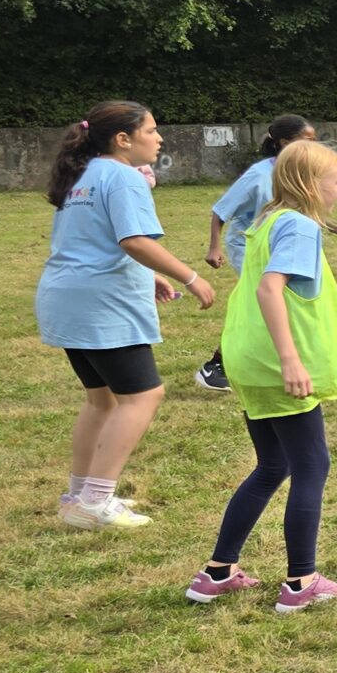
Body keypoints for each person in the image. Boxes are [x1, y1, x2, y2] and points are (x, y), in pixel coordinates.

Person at [192, 141, 337, 613]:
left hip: (248, 358)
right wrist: (291, 360)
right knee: (312, 465)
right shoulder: (298, 227)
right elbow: (271, 289)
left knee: (273, 465)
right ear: (311, 185)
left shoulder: (270, 218)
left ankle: (217, 573)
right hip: (274, 364)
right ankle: (300, 582)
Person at [33, 102, 216, 530]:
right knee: (143, 396)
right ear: (123, 139)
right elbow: (133, 240)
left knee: (102, 401)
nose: (159, 138)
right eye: (151, 130)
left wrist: (147, 275)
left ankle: (78, 497)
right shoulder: (123, 176)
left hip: (67, 298)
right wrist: (190, 277)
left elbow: (91, 238)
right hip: (101, 305)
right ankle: (95, 501)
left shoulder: (84, 173)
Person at [197, 115, 328, 391]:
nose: (313, 147)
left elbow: (299, 209)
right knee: (262, 302)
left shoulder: (297, 171)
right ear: (285, 143)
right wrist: (214, 247)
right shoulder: (258, 175)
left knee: (281, 302)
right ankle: (216, 365)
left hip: (277, 245)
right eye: (306, 141)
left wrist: (336, 229)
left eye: (315, 141)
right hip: (248, 246)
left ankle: (283, 361)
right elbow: (221, 210)